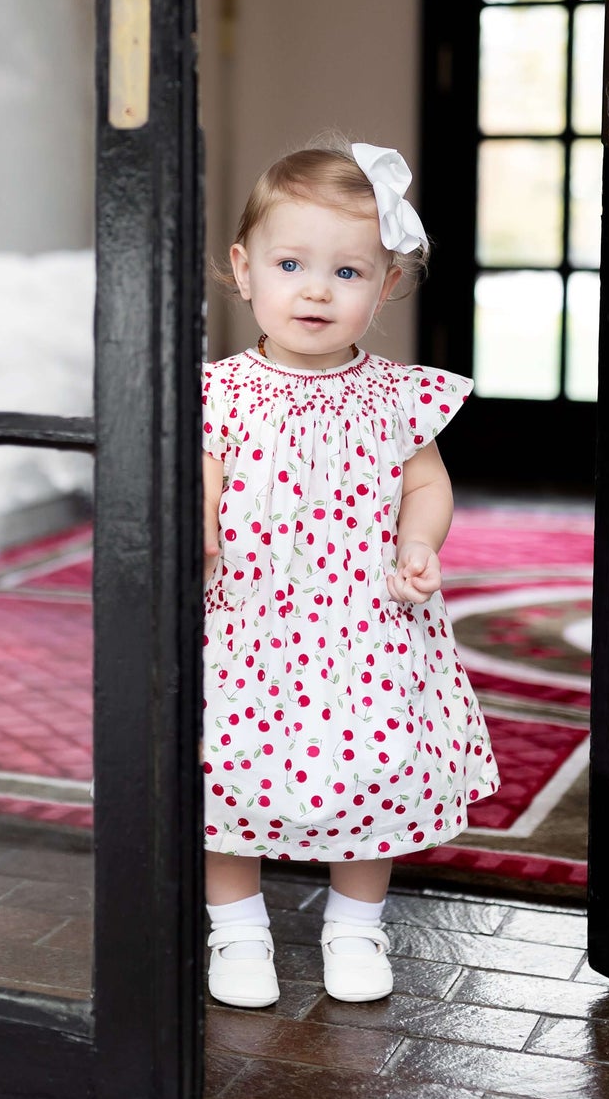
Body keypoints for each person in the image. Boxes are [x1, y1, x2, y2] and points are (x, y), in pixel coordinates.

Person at [200, 137, 500, 1008]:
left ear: (387, 286)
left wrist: (419, 542)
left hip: (362, 622)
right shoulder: (221, 389)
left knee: (376, 765)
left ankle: (355, 922)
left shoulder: (395, 392)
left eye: (348, 271)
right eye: (290, 263)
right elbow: (206, 476)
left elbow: (425, 479)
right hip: (248, 620)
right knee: (227, 765)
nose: (316, 289)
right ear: (243, 268)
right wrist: (203, 536)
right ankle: (239, 929)